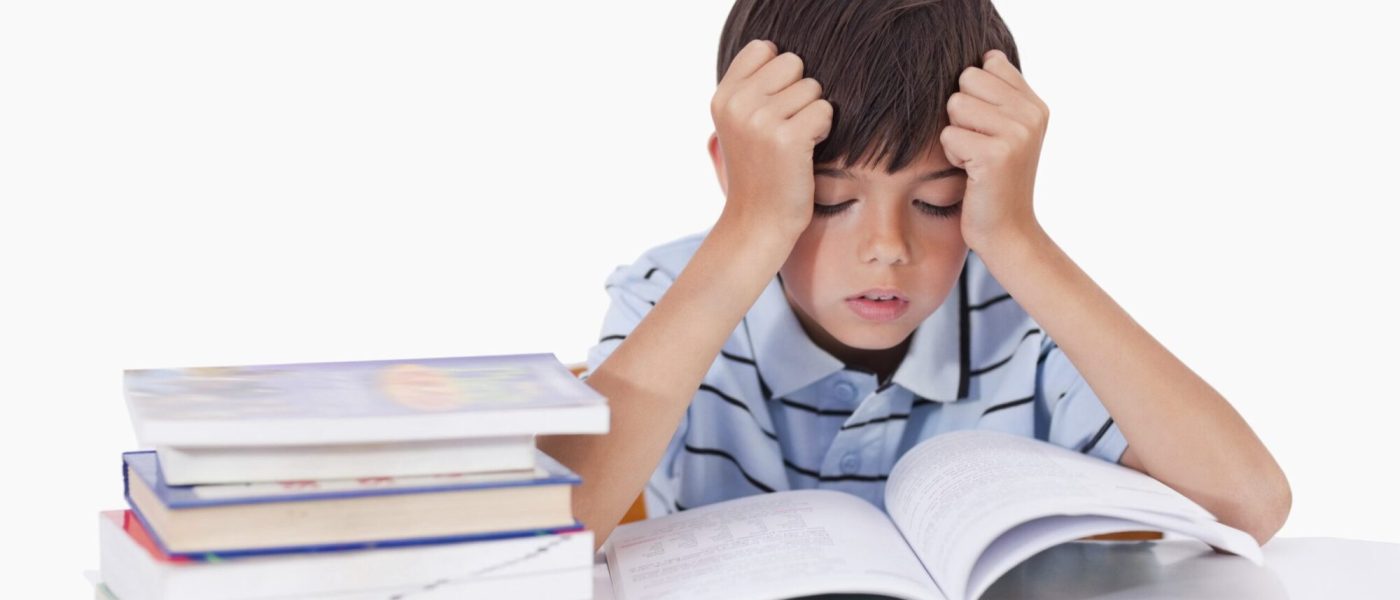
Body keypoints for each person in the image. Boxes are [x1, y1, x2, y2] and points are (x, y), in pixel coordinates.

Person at [538, 0, 1290, 549]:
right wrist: (749, 228)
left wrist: (1017, 237)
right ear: (741, 180)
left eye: (938, 202)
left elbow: (1249, 504)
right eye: (828, 200)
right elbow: (545, 536)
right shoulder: (670, 292)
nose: (886, 248)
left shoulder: (1025, 318)